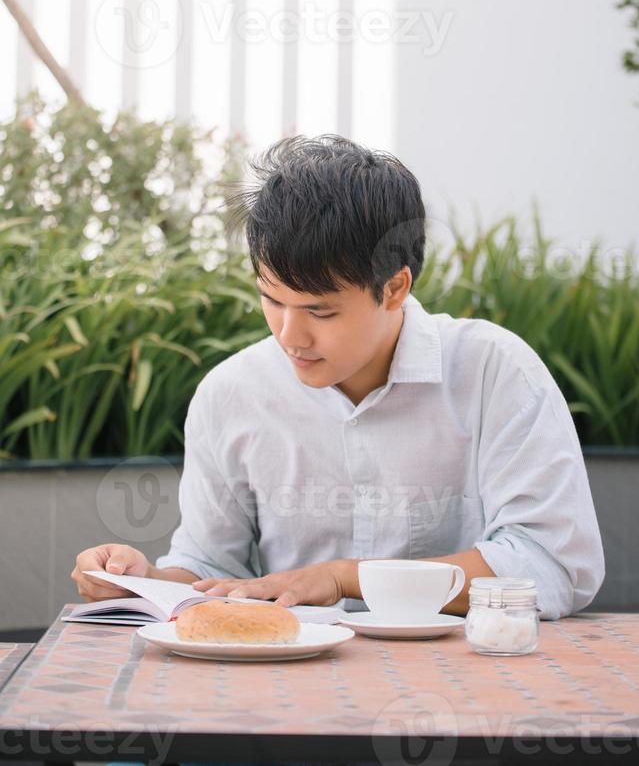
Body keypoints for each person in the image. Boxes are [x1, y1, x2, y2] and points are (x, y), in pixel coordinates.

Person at [72, 134, 604, 617]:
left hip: (460, 690)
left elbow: (550, 566)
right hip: (283, 691)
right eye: (270, 300)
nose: (289, 336)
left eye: (319, 312)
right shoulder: (231, 393)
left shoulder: (494, 372)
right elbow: (212, 569)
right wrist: (145, 582)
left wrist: (345, 578)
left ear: (395, 288)